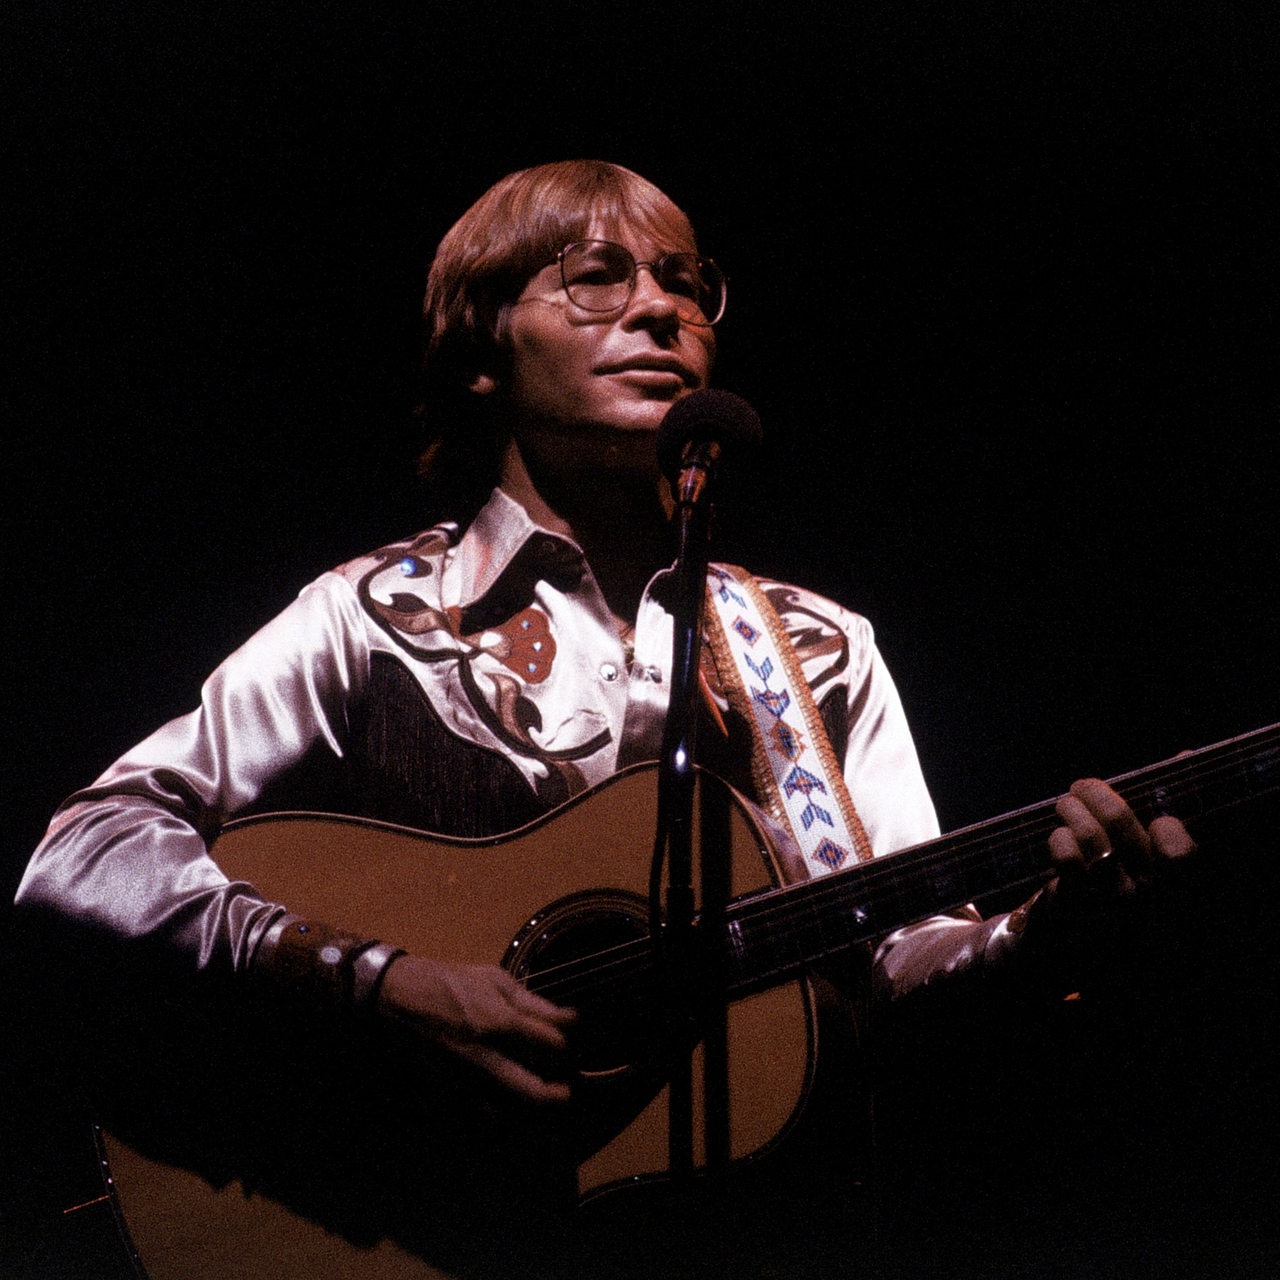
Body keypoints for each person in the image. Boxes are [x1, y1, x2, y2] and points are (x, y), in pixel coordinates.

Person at [13, 160, 1198, 1279]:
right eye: (596, 276)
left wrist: (1038, 931)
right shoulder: (371, 616)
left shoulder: (814, 647)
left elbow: (882, 951)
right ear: (483, 349)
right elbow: (85, 844)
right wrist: (377, 978)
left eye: (687, 283)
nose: (659, 311)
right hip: (427, 1225)